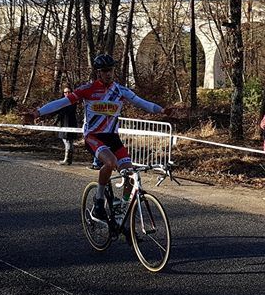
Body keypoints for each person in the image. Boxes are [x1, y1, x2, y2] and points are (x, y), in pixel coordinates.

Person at [31, 54, 167, 222]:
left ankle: (122, 208)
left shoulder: (120, 90)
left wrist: (162, 111)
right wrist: (38, 112)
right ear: (98, 73)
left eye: (110, 70)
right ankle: (98, 200)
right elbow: (62, 102)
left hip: (112, 137)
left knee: (130, 173)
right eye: (104, 71)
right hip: (93, 136)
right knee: (109, 162)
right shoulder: (88, 89)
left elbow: (142, 103)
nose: (108, 74)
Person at [56, 86, 79, 165]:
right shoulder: (62, 101)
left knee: (68, 141)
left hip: (69, 124)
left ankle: (67, 159)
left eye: (69, 92)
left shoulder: (72, 102)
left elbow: (65, 112)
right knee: (67, 141)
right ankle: (68, 160)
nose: (67, 93)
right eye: (65, 92)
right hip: (63, 123)